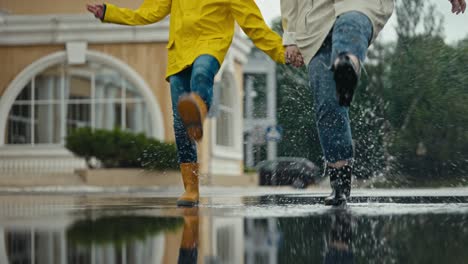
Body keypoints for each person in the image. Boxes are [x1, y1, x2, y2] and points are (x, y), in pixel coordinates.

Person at [87, 0, 286, 207]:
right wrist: (108, 13)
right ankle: (191, 189)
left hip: (210, 43)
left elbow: (255, 26)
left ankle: (198, 113)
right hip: (179, 52)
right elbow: (148, 13)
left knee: (201, 74)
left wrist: (282, 52)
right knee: (180, 127)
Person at [281, 0, 466, 206]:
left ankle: (347, 64)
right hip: (313, 22)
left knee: (349, 26)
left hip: (359, 4)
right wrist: (290, 37)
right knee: (327, 105)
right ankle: (340, 186)